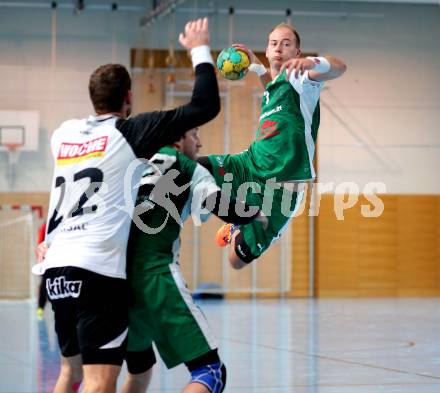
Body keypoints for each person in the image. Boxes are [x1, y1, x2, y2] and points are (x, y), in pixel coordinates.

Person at [33, 17, 220, 393]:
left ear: (93, 97)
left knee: (70, 375)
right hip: (97, 270)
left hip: (55, 269)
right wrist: (200, 48)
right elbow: (205, 104)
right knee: (101, 382)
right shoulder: (127, 133)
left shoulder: (62, 134)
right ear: (129, 98)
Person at [121, 127, 267, 393]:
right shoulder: (188, 167)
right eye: (194, 135)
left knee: (139, 370)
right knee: (211, 372)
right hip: (156, 275)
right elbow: (221, 204)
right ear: (177, 141)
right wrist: (256, 214)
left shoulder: (135, 164)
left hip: (118, 279)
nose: (199, 143)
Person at [199, 23, 347, 269]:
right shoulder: (273, 86)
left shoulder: (302, 80)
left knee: (236, 260)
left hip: (281, 190)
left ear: (297, 53)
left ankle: (239, 225)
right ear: (268, 51)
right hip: (250, 164)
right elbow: (270, 86)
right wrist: (257, 65)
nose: (279, 47)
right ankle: (238, 214)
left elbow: (340, 67)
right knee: (194, 168)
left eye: (287, 44)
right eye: (274, 43)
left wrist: (314, 63)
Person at [36, 222, 47, 319]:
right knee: (44, 284)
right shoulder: (45, 225)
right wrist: (40, 259)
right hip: (47, 260)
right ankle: (40, 308)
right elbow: (40, 242)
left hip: (61, 260)